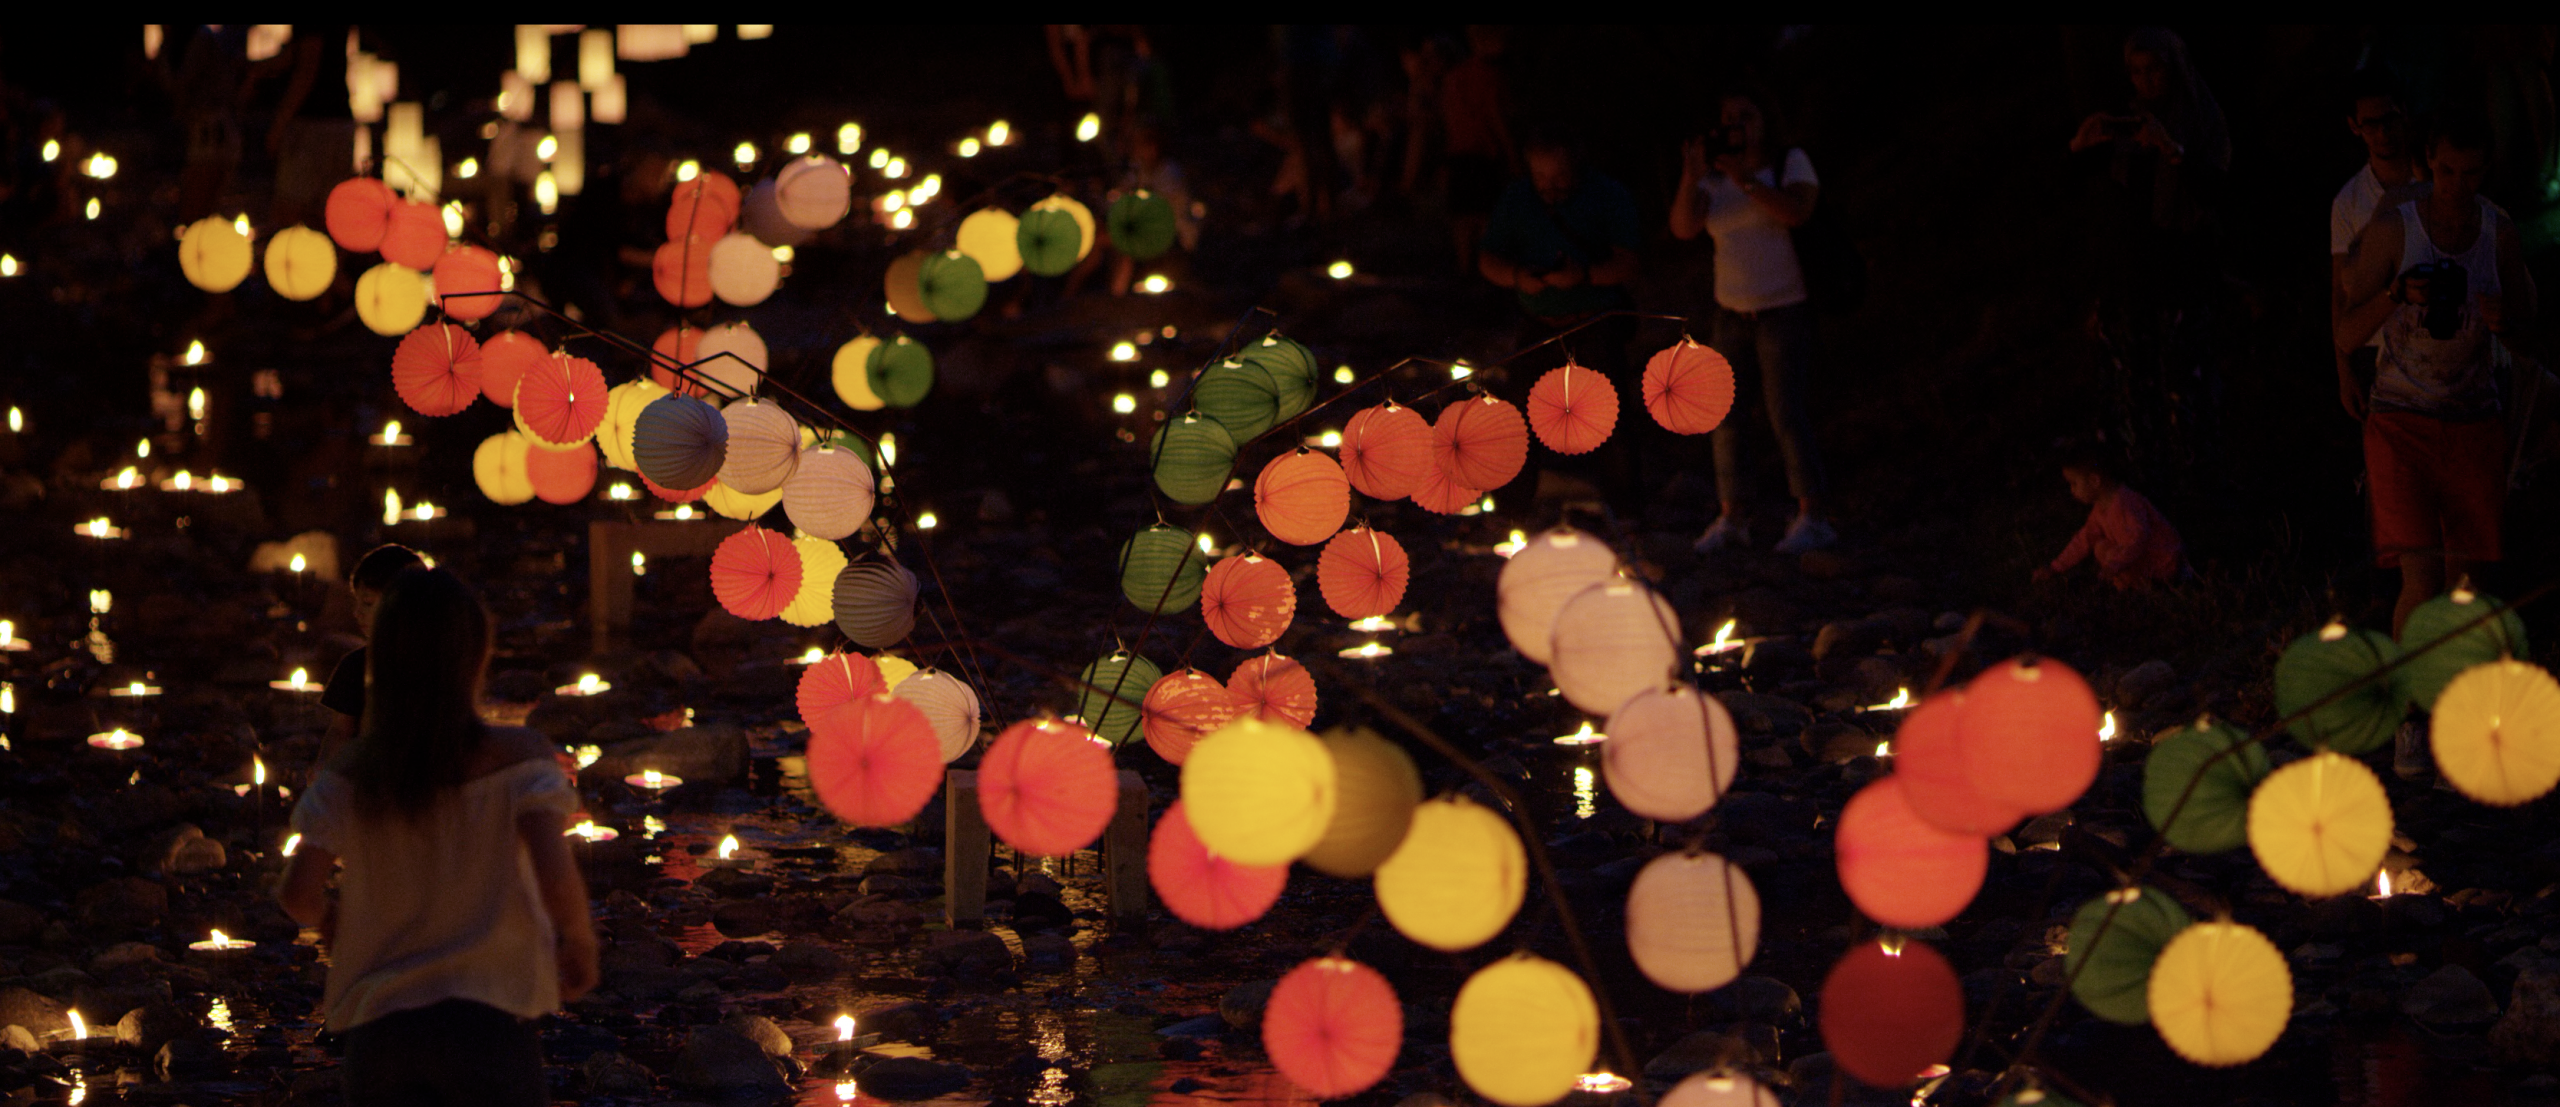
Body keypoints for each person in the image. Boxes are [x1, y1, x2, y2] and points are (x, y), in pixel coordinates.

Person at [277, 568, 597, 1106]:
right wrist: (578, 941)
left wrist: (330, 919)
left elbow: (296, 893)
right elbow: (554, 871)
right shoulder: (520, 758)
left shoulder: (354, 772)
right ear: (477, 656)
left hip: (380, 1032)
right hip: (489, 1027)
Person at [2335, 112, 2535, 635]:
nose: (2456, 187)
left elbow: (2529, 339)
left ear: (2486, 170)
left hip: (2472, 419)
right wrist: (2396, 294)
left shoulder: (2497, 233)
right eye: (2446, 172)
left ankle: (2448, 679)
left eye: (2470, 174)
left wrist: (2505, 325)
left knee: (2463, 588)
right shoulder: (2394, 228)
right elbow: (2346, 333)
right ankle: (2407, 682)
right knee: (2420, 581)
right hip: (2401, 417)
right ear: (2428, 162)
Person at [1671, 91, 1832, 554]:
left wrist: (1745, 179)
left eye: (1746, 116)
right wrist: (1691, 177)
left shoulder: (1788, 162)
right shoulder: (1715, 178)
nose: (1736, 124)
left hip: (1784, 307)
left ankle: (1812, 515)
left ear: (1765, 120)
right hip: (1731, 311)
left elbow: (1797, 212)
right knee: (1725, 415)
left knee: (1786, 412)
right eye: (1728, 117)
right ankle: (1733, 516)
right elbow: (1683, 228)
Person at [1478, 134, 1642, 514]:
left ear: (1577, 166)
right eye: (1541, 178)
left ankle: (1627, 510)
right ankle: (1511, 510)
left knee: (1610, 415)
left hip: (1595, 321)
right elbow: (1488, 258)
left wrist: (1583, 276)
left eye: (1560, 178)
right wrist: (1518, 276)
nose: (1549, 188)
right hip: (1539, 322)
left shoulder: (1607, 195)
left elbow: (1630, 263)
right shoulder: (1518, 198)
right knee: (1516, 414)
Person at [2332, 68, 2428, 422]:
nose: (2383, 133)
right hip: (2376, 350)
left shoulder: (2435, 181)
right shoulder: (2349, 202)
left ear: (2403, 113)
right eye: (2371, 124)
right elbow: (2339, 292)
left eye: (2389, 120)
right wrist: (2344, 371)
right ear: (2355, 126)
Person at [319, 543, 423, 754]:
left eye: (367, 603)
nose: (357, 613)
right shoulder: (355, 667)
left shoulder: (438, 663)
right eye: (356, 602)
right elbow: (340, 732)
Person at [2034, 455, 2185, 590]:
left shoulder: (2126, 504)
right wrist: (2055, 567)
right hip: (2137, 555)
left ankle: (2145, 583)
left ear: (2094, 481)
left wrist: (2115, 564)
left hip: (2162, 558)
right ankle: (2131, 581)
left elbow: (2138, 539)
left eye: (2074, 483)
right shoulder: (2100, 508)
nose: (2072, 490)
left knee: (2110, 554)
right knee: (2100, 547)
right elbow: (2084, 539)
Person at [1440, 27, 1514, 276]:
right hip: (1482, 153)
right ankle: (1486, 272)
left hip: (1457, 154)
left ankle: (1465, 270)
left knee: (1462, 217)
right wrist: (1511, 154)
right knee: (1484, 215)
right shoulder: (1490, 74)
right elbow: (1496, 116)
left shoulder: (1454, 75)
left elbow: (1447, 117)